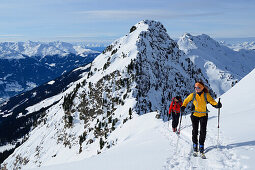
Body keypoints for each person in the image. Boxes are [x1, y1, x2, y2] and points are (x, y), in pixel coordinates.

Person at [181, 81, 222, 154]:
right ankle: (195, 144)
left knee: (203, 131)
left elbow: (212, 101)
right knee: (195, 131)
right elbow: (186, 100)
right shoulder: (192, 95)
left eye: (198, 87)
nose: (196, 89)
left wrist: (217, 105)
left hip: (203, 115)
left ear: (202, 88)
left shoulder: (206, 95)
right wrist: (183, 106)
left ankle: (201, 145)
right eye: (195, 87)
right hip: (194, 115)